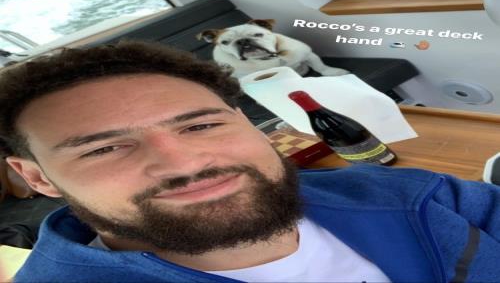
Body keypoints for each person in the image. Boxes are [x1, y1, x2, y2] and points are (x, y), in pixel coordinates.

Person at [0, 41, 498, 283]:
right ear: (37, 177)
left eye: (200, 126)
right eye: (103, 148)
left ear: (244, 122)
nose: (184, 163)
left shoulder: (403, 193)